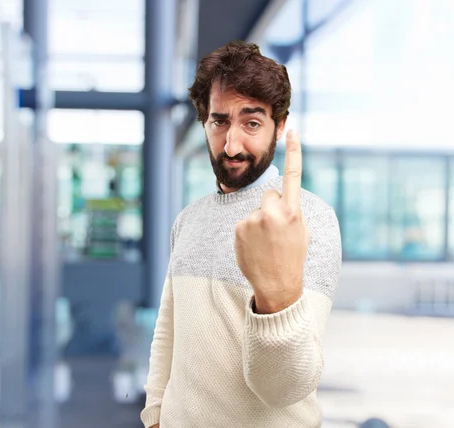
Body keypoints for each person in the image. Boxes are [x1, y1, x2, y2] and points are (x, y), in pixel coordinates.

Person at [140, 41, 342, 428]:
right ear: (203, 122)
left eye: (252, 123)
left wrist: (275, 294)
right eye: (219, 121)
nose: (232, 145)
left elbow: (286, 386)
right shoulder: (189, 219)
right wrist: (155, 416)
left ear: (279, 127)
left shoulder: (309, 219)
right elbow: (168, 332)